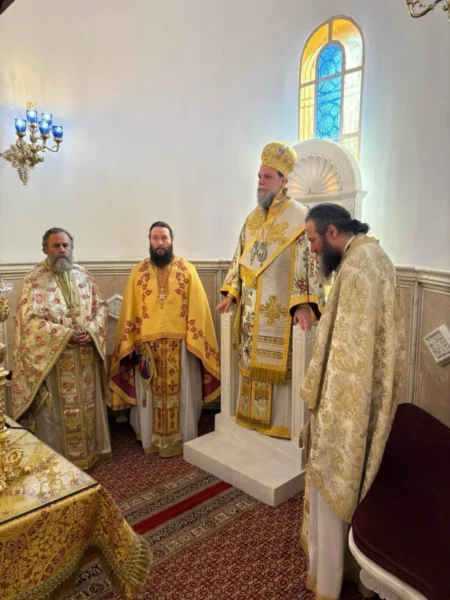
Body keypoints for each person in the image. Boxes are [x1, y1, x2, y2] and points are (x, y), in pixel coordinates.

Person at [300, 203, 406, 599]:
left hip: (346, 403)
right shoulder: (374, 257)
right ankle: (345, 568)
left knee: (335, 475)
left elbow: (349, 356)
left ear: (332, 232)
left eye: (313, 240)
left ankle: (329, 578)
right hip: (364, 397)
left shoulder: (359, 267)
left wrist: (328, 406)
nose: (312, 249)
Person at [215, 141, 324, 439]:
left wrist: (304, 304)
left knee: (281, 368)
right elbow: (239, 258)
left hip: (280, 314)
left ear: (283, 181)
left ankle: (281, 426)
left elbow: (308, 263)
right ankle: (251, 420)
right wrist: (231, 293)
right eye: (259, 177)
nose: (261, 182)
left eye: (267, 177)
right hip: (251, 316)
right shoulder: (252, 219)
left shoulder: (299, 217)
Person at [109, 221, 220, 457]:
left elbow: (199, 310)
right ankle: (149, 437)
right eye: (155, 238)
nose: (160, 243)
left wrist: (194, 339)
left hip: (181, 346)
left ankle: (184, 436)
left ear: (172, 241)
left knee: (183, 391)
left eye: (164, 238)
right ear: (149, 241)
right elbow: (130, 311)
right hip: (147, 347)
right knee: (149, 394)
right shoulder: (138, 272)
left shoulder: (187, 270)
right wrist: (134, 341)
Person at [11, 227, 111, 469]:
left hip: (85, 359)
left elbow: (101, 308)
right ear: (45, 249)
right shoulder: (33, 280)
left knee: (87, 408)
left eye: (66, 245)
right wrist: (65, 335)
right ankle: (58, 461)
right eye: (56, 246)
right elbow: (30, 322)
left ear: (71, 248)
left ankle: (91, 453)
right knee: (55, 413)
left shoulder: (83, 275)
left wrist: (91, 330)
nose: (62, 250)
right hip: (55, 361)